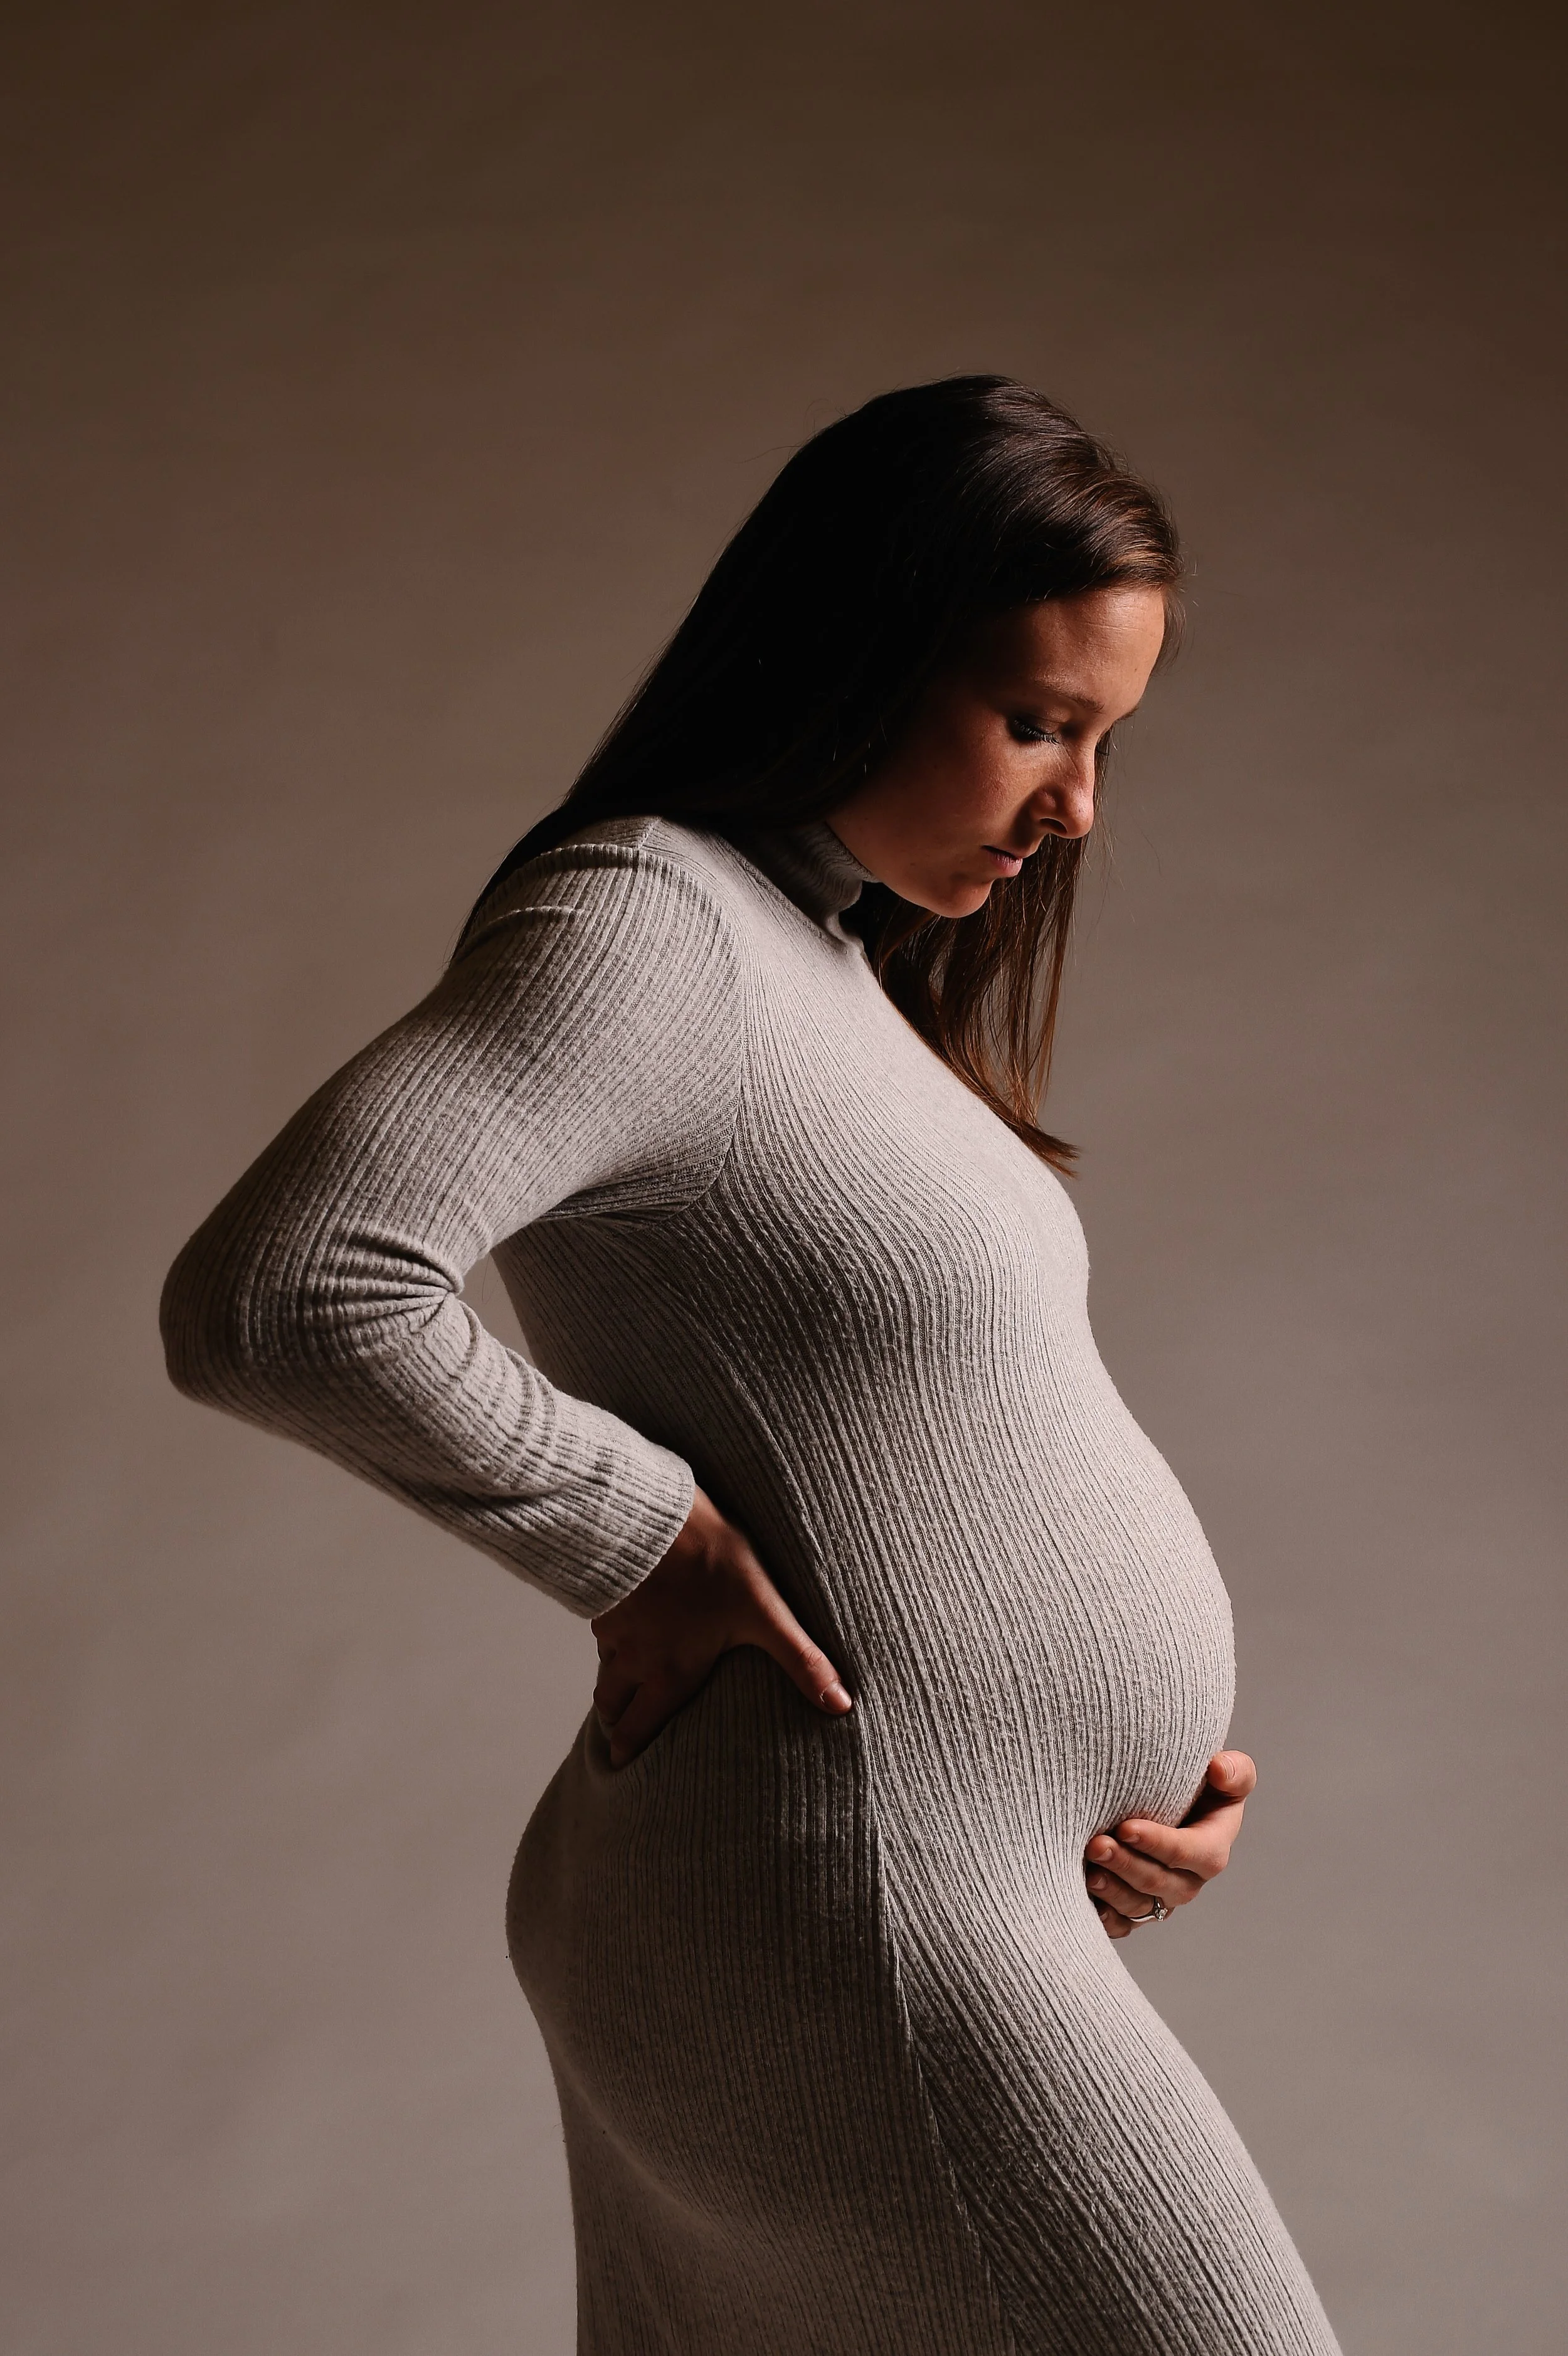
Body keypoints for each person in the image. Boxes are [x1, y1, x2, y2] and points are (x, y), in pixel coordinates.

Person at [161, 377, 1341, 2355]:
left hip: (886, 1893)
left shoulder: (824, 965)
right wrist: (645, 1538)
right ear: (855, 649)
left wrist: (1120, 1792)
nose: (1074, 812)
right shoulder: (651, 923)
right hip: (841, 1911)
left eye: (1104, 741)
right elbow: (281, 1291)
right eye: (1034, 720)